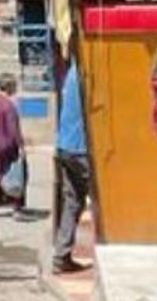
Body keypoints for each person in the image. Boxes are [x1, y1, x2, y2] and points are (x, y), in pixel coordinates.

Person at [52, 61, 90, 276]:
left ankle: (61, 256)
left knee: (72, 202)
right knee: (102, 201)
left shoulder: (72, 72)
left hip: (65, 145)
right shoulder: (87, 71)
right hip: (81, 147)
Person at [0, 73, 26, 216]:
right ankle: (17, 206)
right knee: (19, 173)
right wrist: (20, 146)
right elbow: (13, 129)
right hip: (7, 145)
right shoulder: (9, 106)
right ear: (10, 87)